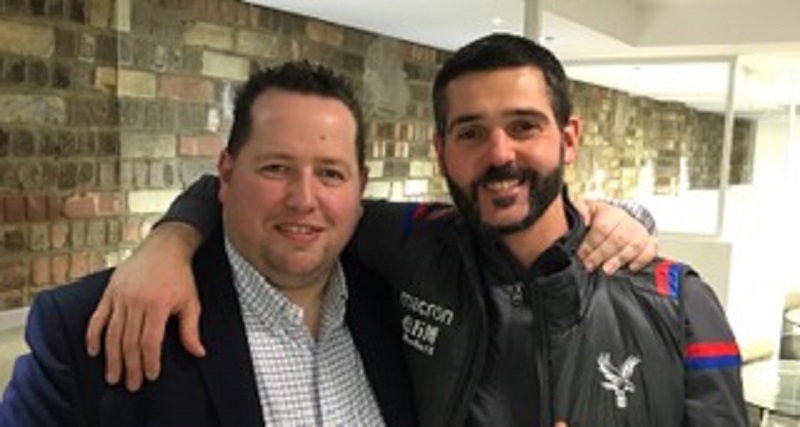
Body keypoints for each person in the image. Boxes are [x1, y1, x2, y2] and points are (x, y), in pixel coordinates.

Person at [84, 34, 745, 426]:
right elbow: (289, 204)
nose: (500, 154)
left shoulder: (677, 305)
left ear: (568, 137)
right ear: (441, 149)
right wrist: (172, 238)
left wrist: (630, 215)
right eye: (471, 133)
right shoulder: (411, 244)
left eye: (524, 126)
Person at [0, 61, 417, 426]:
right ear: (227, 174)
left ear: (360, 187)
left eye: (330, 174)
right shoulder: (93, 327)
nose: (304, 200)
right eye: (276, 168)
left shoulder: (398, 307)